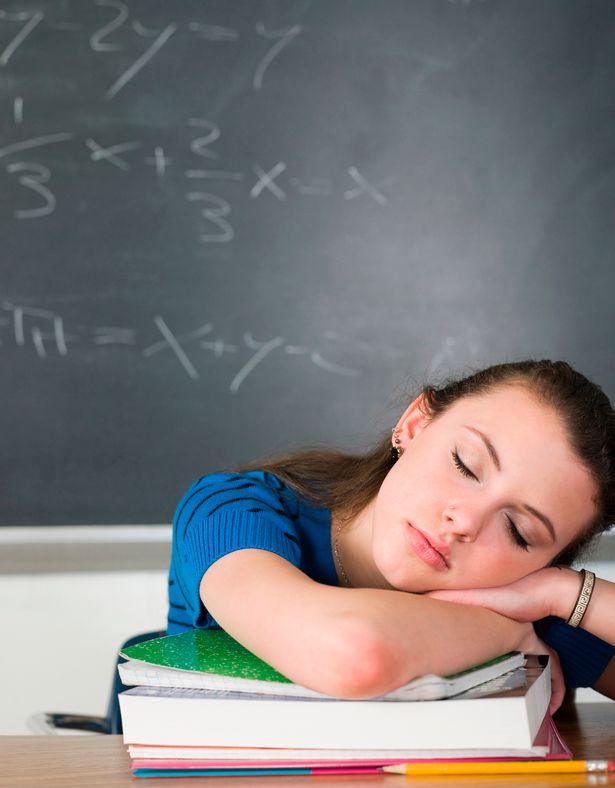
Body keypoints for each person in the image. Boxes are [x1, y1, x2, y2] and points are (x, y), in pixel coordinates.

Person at [167, 359, 615, 712]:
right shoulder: (235, 509)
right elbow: (355, 654)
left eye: (519, 531)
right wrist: (508, 635)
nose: (464, 521)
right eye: (465, 465)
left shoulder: (523, 595)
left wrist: (569, 593)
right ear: (414, 426)